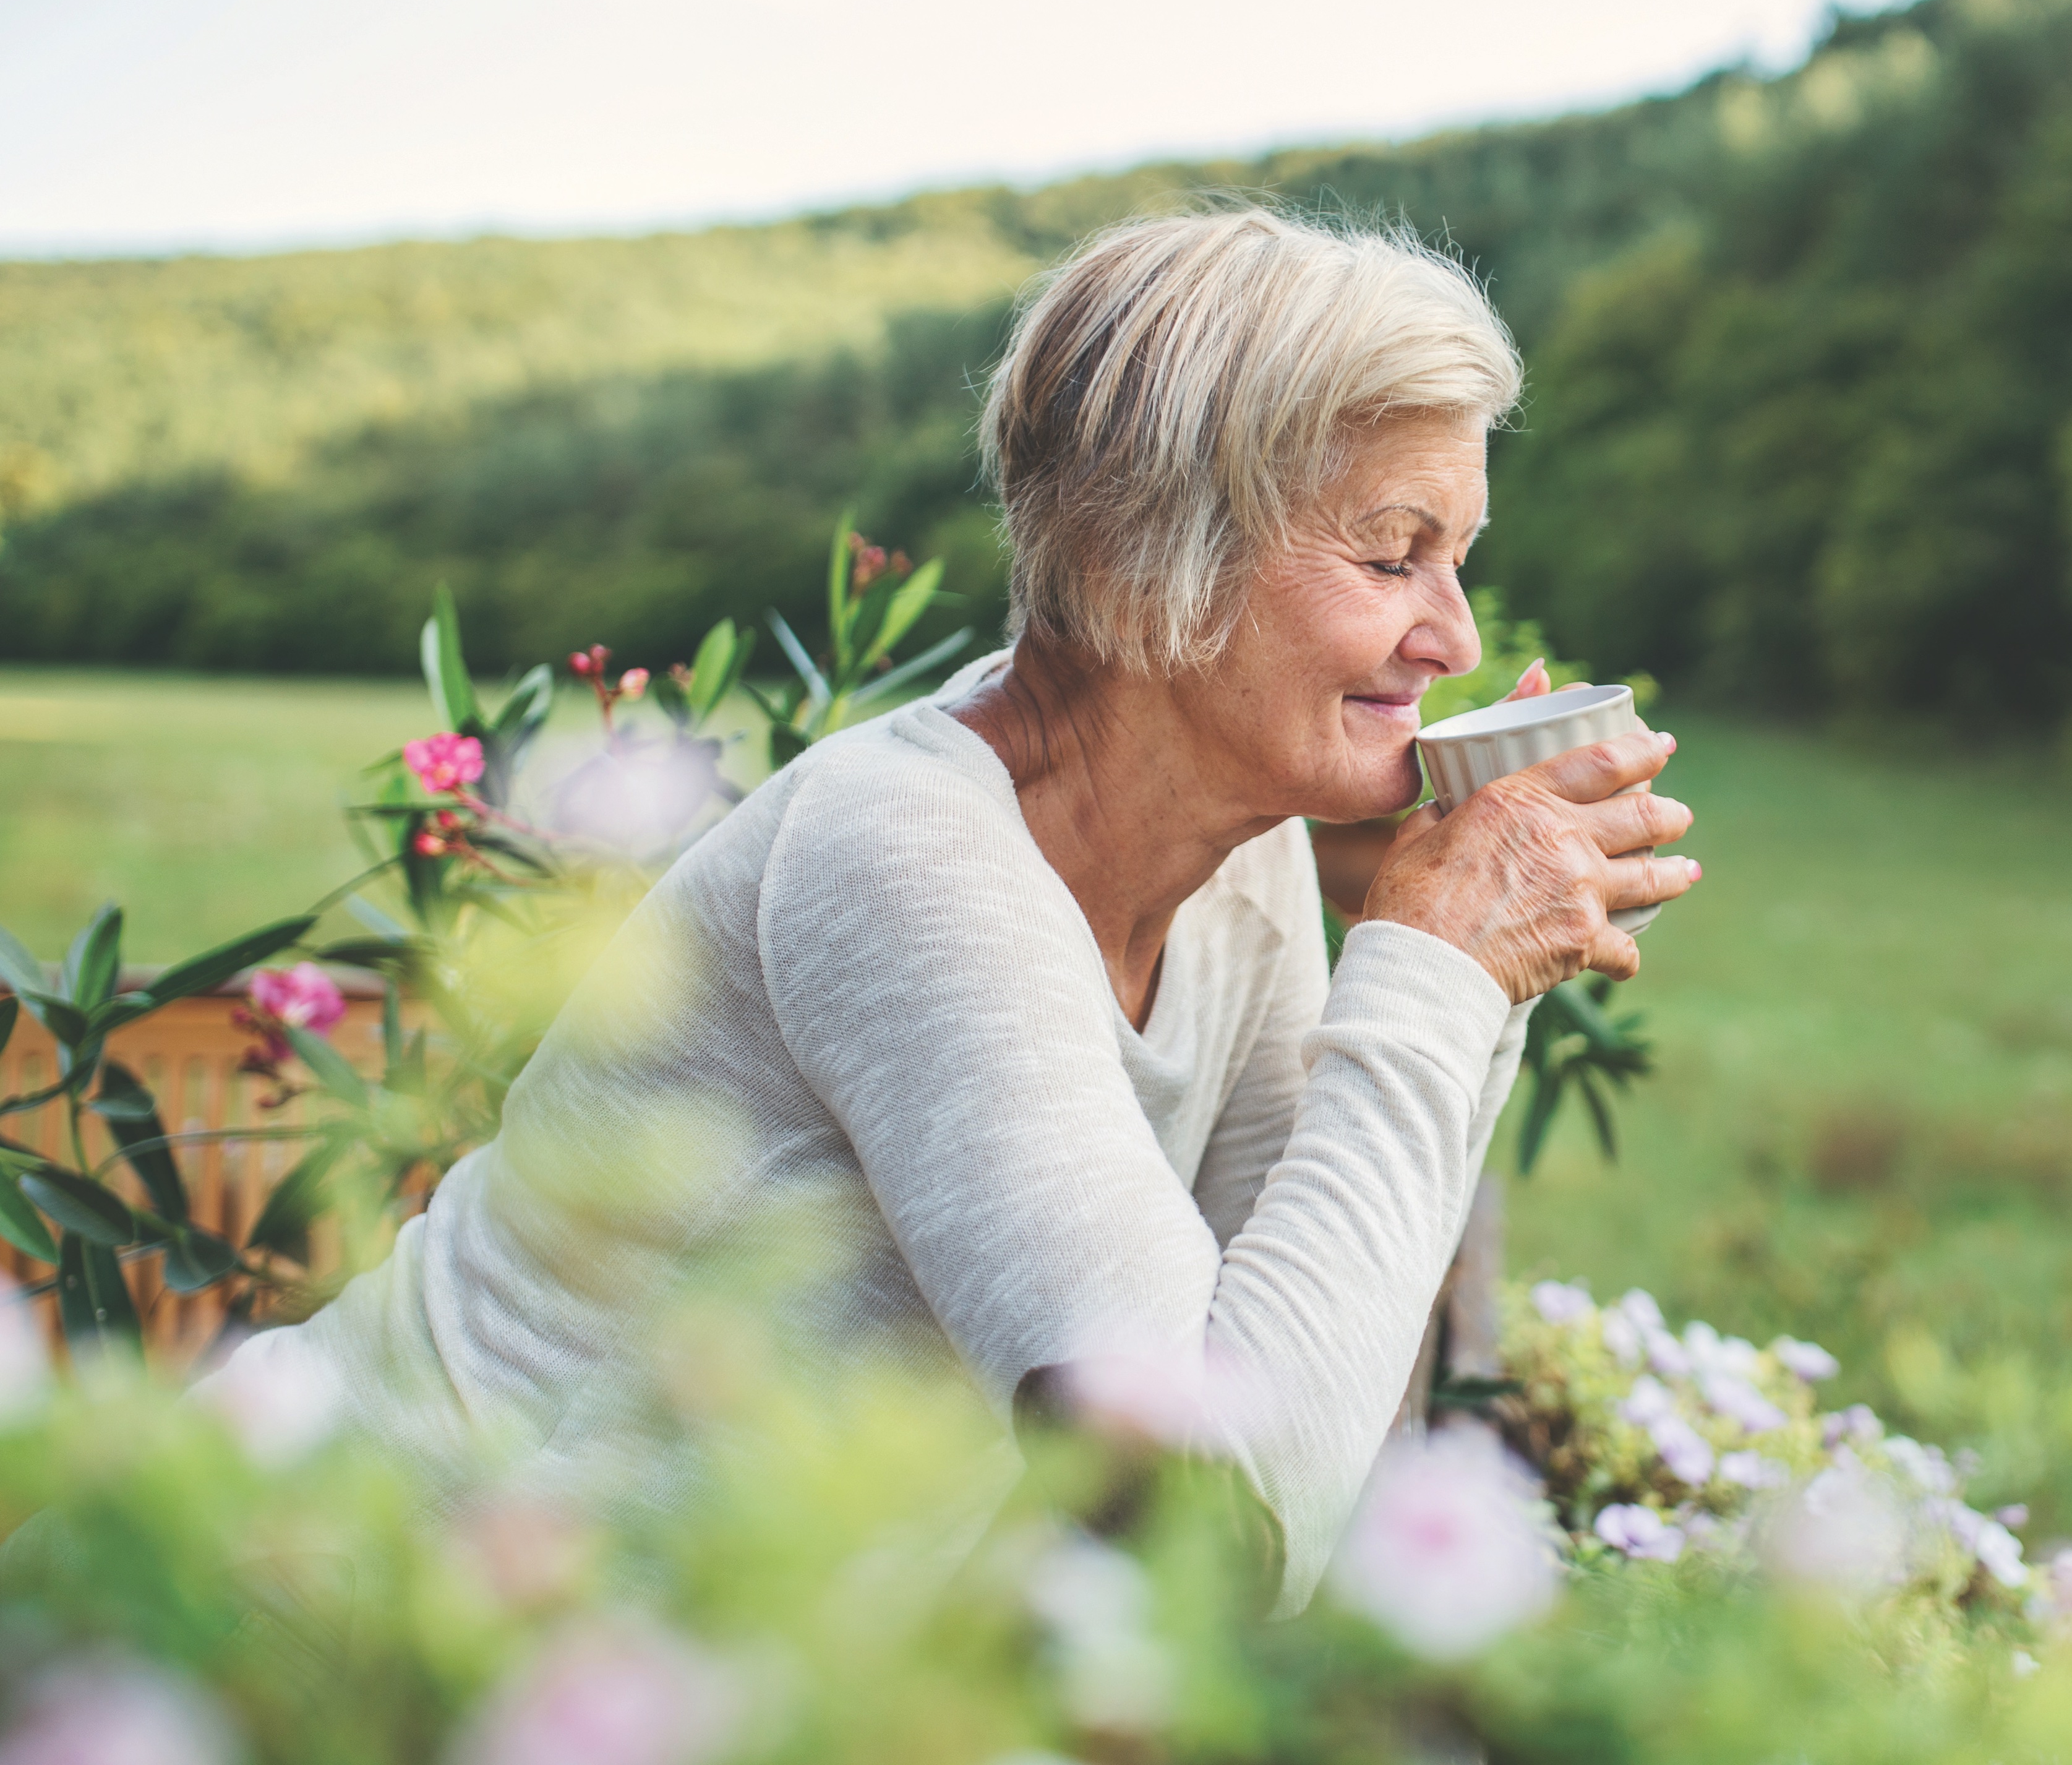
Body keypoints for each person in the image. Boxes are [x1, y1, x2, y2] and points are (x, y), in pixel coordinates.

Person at [205, 206, 1699, 1613]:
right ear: (1140, 562)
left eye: (1459, 559)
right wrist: (1438, 973)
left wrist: (1467, 970)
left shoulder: (1235, 854)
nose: (1450, 633)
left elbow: (1300, 1414)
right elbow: (1207, 1516)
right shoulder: (908, 855)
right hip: (318, 1621)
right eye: (1391, 555)